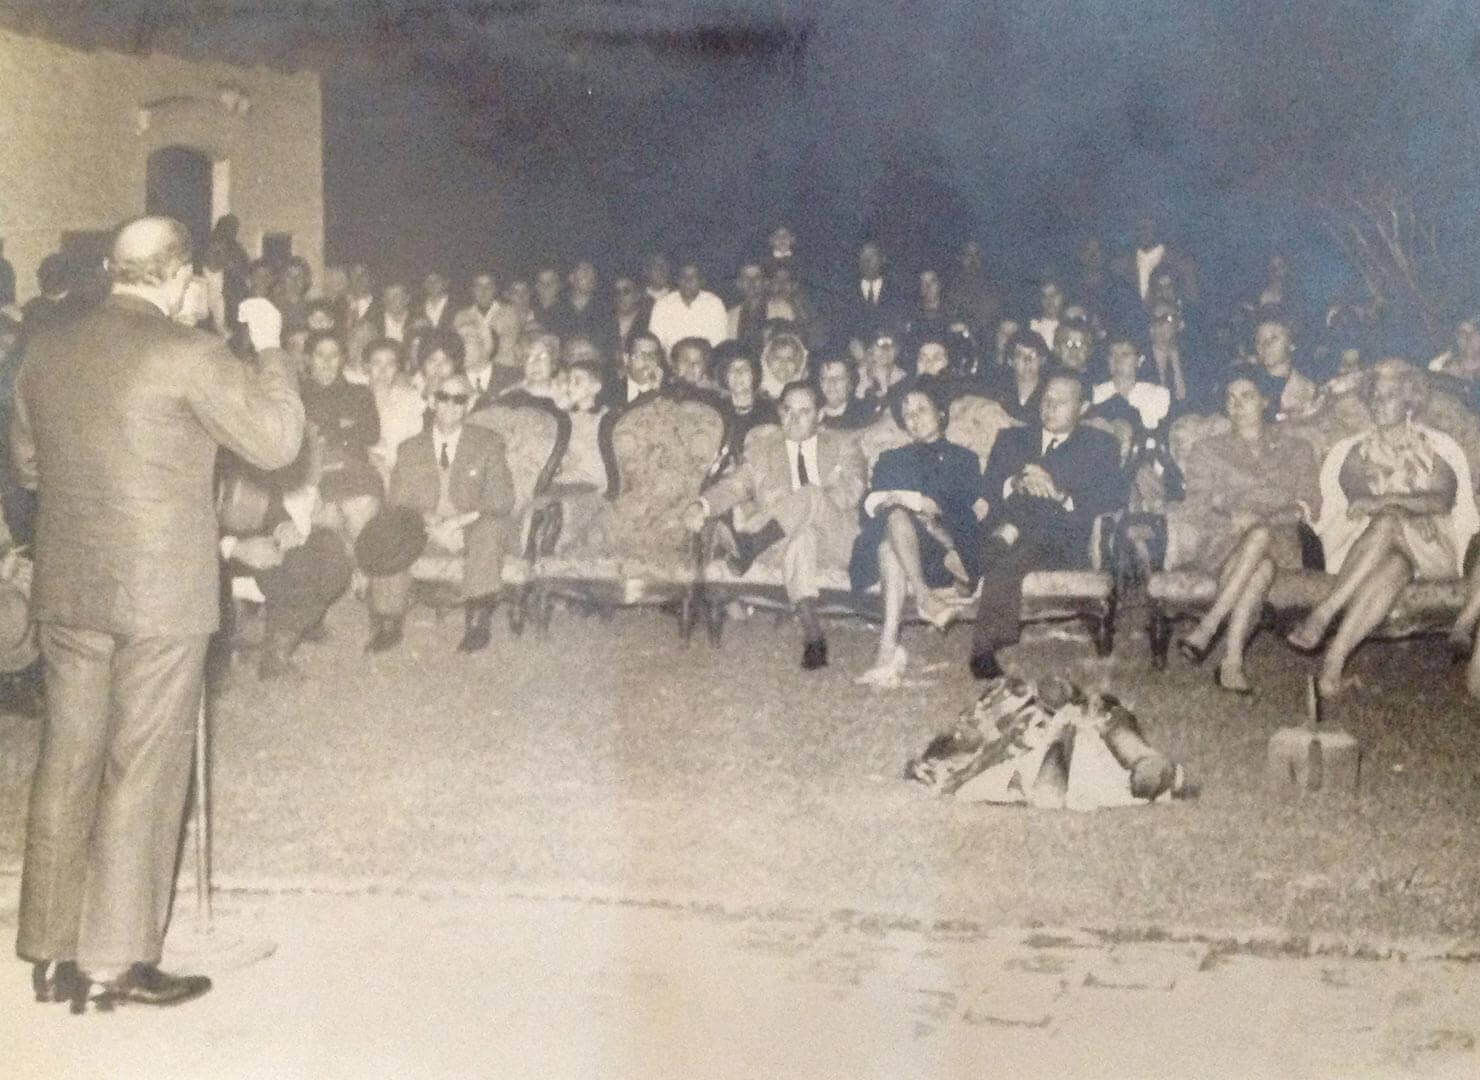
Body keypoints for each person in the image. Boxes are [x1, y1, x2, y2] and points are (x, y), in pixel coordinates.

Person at [12, 216, 304, 1011]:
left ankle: (50, 953)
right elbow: (278, 440)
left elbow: (31, 466)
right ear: (179, 277)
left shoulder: (44, 347)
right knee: (142, 766)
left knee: (69, 758)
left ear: (115, 271)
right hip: (160, 595)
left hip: (71, 586)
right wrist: (269, 345)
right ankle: (113, 964)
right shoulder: (190, 353)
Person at [1286, 358, 1478, 697]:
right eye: (1374, 396)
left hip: (1433, 550)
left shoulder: (1436, 447)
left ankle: (1325, 611)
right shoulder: (1354, 452)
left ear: (1409, 401)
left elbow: (1441, 500)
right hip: (1373, 550)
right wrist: (1409, 507)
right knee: (1395, 565)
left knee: (1389, 519)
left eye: (1388, 396)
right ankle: (1332, 668)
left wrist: (1394, 506)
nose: (1378, 402)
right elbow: (1360, 500)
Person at [685, 381, 866, 670]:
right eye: (788, 411)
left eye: (804, 412)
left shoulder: (843, 444)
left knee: (811, 494)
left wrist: (803, 501)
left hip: (837, 540)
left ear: (820, 416)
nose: (793, 419)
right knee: (802, 538)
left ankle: (752, 543)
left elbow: (852, 491)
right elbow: (734, 485)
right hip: (783, 545)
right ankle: (813, 636)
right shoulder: (763, 449)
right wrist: (702, 505)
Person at [1168, 366, 1320, 693]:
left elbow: (1309, 504)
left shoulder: (1298, 448)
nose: (1237, 405)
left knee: (1263, 539)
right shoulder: (1207, 449)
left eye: (1247, 396)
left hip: (1282, 541)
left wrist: (1267, 517)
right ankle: (1232, 663)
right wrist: (1233, 511)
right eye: (1231, 398)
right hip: (1226, 540)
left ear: (1265, 400)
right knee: (1260, 563)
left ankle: (1208, 627)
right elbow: (1197, 504)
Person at [969, 374, 1126, 678]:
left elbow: (1112, 498)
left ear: (1083, 408)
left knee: (1038, 507)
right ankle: (983, 650)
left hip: (1064, 542)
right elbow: (987, 491)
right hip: (1020, 550)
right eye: (1046, 399)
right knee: (1017, 544)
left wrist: (1060, 495)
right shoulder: (1011, 439)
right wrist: (1015, 483)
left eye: (1061, 401)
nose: (1050, 407)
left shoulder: (1100, 446)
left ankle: (1002, 538)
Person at [363, 372, 515, 654]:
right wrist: (431, 525)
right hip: (423, 526)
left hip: (470, 524)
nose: (450, 405)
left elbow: (501, 498)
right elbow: (399, 503)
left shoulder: (488, 443)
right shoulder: (410, 448)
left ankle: (477, 622)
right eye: (443, 397)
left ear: (469, 405)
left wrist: (458, 522)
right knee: (391, 529)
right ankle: (389, 623)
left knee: (489, 531)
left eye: (459, 399)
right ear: (432, 401)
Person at [850, 385, 984, 686]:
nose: (914, 418)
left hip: (940, 550)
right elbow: (868, 507)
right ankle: (922, 599)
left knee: (891, 540)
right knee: (892, 528)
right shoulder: (890, 458)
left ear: (941, 413)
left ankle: (888, 648)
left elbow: (949, 506)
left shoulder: (964, 459)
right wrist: (896, 503)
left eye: (921, 409)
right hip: (898, 540)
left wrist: (904, 500)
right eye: (907, 414)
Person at [299, 331, 382, 548]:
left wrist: (324, 428)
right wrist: (342, 425)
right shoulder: (296, 394)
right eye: (320, 355)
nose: (327, 362)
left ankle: (361, 573)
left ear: (343, 359)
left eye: (334, 355)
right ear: (308, 358)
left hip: (352, 472)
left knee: (360, 507)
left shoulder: (359, 393)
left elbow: (371, 433)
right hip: (309, 473)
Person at [648, 261, 728, 354]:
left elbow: (720, 345)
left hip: (708, 365)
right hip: (671, 366)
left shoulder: (714, 304)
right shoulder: (663, 305)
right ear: (677, 280)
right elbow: (655, 344)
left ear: (702, 281)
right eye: (683, 276)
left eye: (693, 277)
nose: (688, 281)